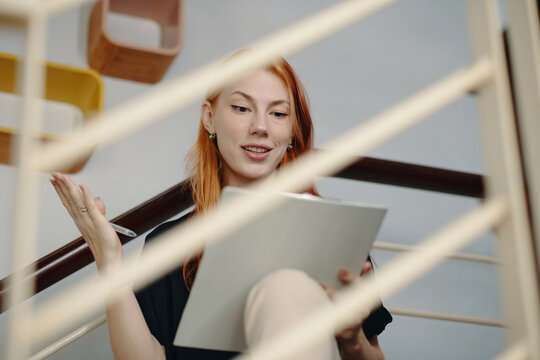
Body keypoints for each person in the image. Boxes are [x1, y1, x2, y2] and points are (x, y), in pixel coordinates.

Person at [50, 53, 391, 360]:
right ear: (209, 119)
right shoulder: (172, 245)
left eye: (278, 113)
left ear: (293, 131)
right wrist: (110, 265)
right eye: (242, 108)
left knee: (286, 287)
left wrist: (351, 339)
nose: (260, 126)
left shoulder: (334, 235)